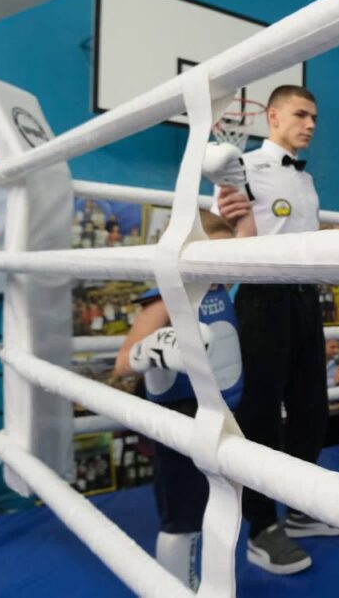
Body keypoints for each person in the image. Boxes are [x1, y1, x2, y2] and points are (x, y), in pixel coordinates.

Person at [209, 85, 339, 574]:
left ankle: (298, 507)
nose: (311, 124)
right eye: (301, 114)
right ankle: (260, 526)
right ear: (272, 116)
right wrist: (226, 219)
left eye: (314, 116)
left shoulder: (306, 179)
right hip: (262, 299)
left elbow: (306, 241)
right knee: (259, 413)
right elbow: (221, 232)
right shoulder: (243, 168)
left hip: (304, 299)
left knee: (312, 408)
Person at [110, 210, 243, 590]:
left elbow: (246, 239)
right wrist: (155, 348)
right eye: (215, 255)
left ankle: (196, 582)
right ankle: (174, 588)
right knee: (182, 516)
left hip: (217, 414)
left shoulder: (217, 286)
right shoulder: (167, 297)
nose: (223, 265)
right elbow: (122, 363)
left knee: (207, 508)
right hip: (181, 417)